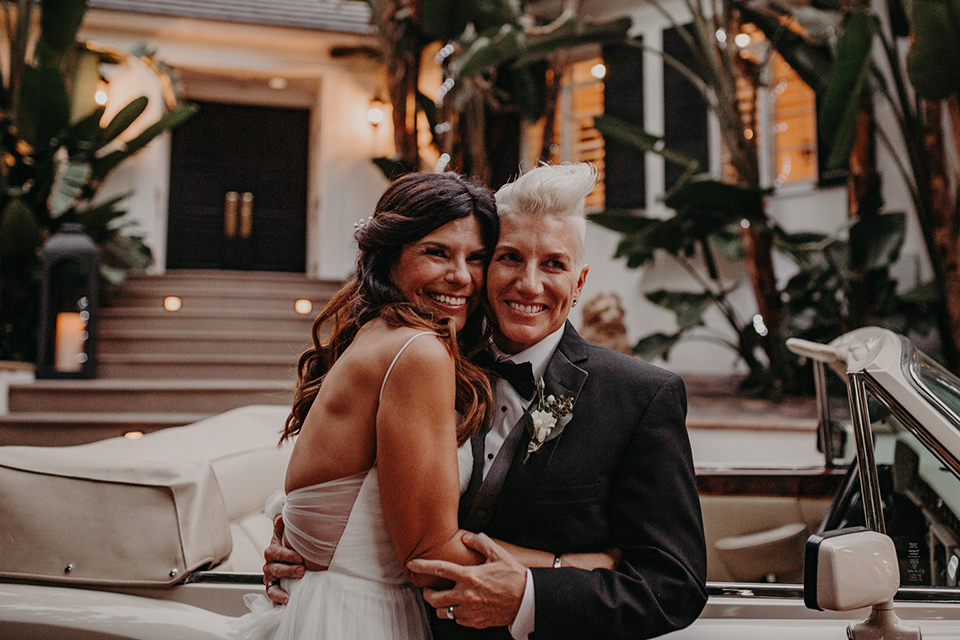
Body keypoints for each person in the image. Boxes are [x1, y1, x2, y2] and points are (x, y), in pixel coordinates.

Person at [264, 163, 707, 640]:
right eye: (509, 257)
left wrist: (534, 594)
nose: (529, 284)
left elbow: (674, 586)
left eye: (553, 265)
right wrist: (298, 529)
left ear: (579, 285)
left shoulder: (641, 397)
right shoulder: (429, 354)